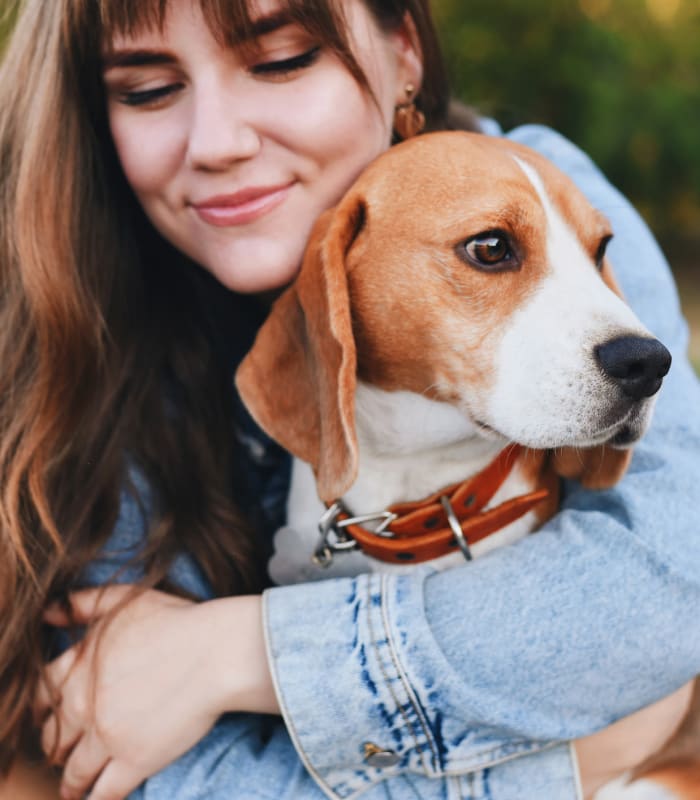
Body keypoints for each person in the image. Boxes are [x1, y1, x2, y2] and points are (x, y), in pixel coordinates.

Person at [0, 0, 698, 799]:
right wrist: (573, 768)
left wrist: (238, 652)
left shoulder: (542, 178)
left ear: (404, 54)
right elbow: (161, 768)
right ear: (95, 121)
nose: (219, 142)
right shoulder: (79, 344)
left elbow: (678, 567)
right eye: (150, 89)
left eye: (283, 59)